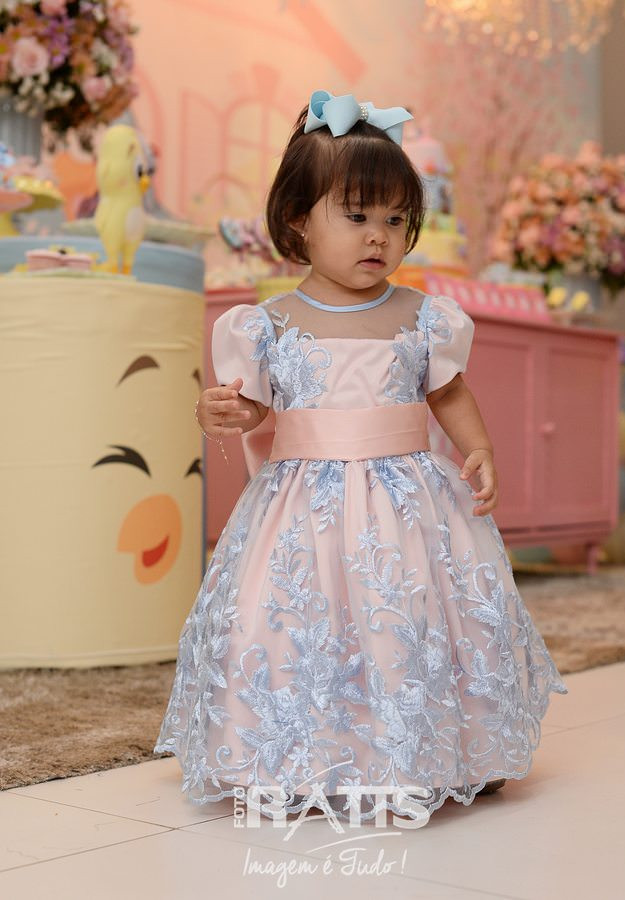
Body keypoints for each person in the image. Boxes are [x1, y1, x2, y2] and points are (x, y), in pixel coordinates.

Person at [155, 90, 568, 823]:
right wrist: (219, 411)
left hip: (407, 501)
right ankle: (288, 754)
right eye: (356, 216)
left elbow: (447, 391)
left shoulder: (422, 316)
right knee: (295, 620)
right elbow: (252, 407)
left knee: (411, 615)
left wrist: (477, 447)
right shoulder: (268, 323)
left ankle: (451, 747)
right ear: (297, 218)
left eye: (396, 220)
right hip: (303, 506)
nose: (379, 236)